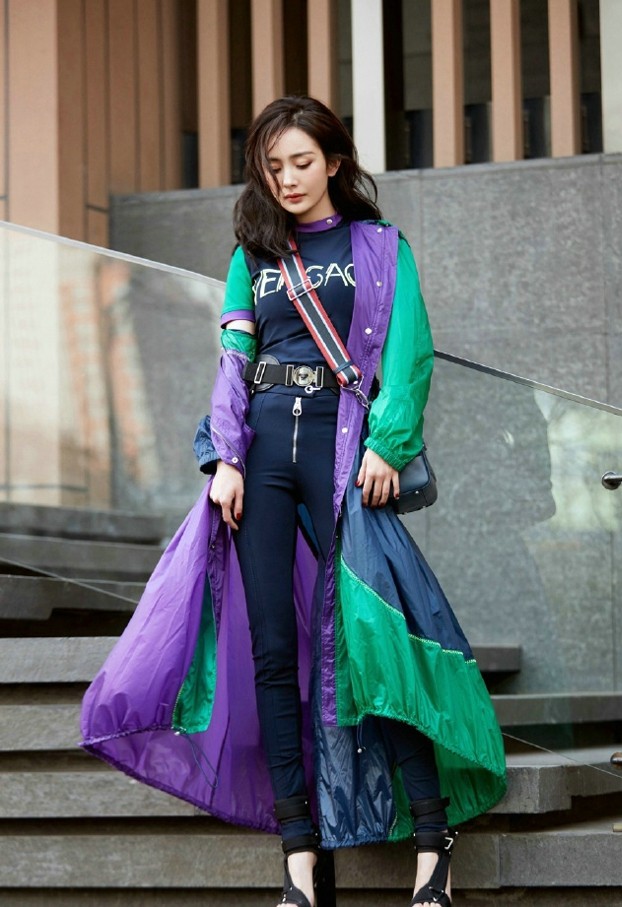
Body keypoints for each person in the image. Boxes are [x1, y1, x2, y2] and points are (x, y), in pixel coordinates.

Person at [80, 96, 506, 907]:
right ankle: (300, 856)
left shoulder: (380, 247)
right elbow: (233, 363)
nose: (288, 179)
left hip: (345, 453)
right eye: (274, 167)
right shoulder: (254, 254)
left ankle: (432, 839)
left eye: (302, 162)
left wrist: (389, 442)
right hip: (264, 455)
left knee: (374, 641)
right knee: (274, 651)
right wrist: (224, 456)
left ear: (335, 162)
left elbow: (409, 353)